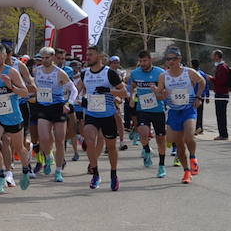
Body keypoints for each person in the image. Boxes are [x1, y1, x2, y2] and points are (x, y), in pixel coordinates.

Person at [77, 44, 127, 192]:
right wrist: (79, 100)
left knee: (111, 147)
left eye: (91, 54)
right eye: (87, 55)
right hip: (92, 114)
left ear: (99, 56)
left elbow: (124, 93)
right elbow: (76, 91)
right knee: (90, 140)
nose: (88, 57)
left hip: (108, 115)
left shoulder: (109, 73)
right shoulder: (85, 73)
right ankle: (96, 173)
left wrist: (109, 91)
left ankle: (113, 174)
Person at [0, 44, 32, 193]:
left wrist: (11, 86)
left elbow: (24, 93)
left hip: (13, 116)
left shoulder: (12, 72)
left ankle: (25, 171)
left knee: (19, 148)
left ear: (4, 56)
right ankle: (1, 177)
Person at [155, 46, 205, 183]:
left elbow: (202, 82)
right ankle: (186, 172)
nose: (171, 61)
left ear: (180, 59)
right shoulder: (163, 76)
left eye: (174, 59)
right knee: (178, 144)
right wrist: (160, 94)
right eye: (168, 59)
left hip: (188, 109)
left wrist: (199, 97)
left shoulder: (189, 72)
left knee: (189, 136)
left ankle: (193, 158)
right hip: (174, 112)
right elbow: (159, 95)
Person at [31, 46, 73, 183]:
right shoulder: (36, 71)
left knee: (60, 141)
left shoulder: (59, 73)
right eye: (42, 58)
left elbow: (73, 90)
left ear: (53, 58)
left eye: (47, 57)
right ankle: (48, 157)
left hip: (57, 107)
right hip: (42, 107)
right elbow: (33, 87)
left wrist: (69, 104)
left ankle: (59, 171)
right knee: (43, 137)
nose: (44, 60)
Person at [128, 50, 168, 178]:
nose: (142, 63)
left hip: (158, 110)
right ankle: (146, 150)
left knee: (161, 139)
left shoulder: (160, 73)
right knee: (143, 133)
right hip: (143, 109)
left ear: (150, 60)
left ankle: (161, 166)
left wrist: (157, 92)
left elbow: (165, 93)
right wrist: (132, 98)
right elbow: (133, 87)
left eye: (145, 61)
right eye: (140, 61)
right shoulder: (135, 73)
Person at [210, 50, 231, 139]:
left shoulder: (222, 67)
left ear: (217, 56)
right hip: (220, 93)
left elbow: (221, 81)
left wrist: (211, 79)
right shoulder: (222, 66)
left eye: (213, 55)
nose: (212, 57)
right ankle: (222, 134)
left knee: (221, 115)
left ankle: (223, 134)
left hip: (222, 94)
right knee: (220, 115)